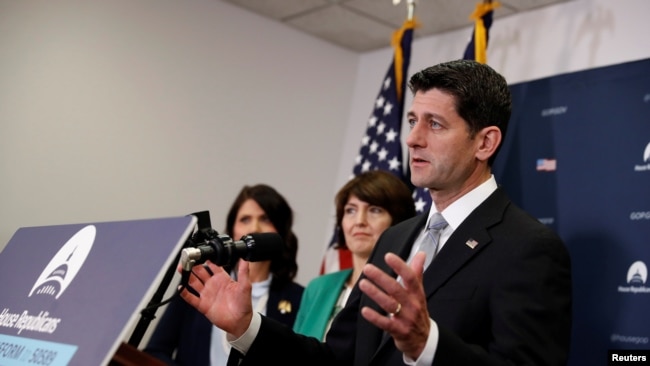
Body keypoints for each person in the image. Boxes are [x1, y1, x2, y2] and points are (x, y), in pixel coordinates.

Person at [178, 60, 573, 366]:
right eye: (413, 121)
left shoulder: (528, 248)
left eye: (435, 124)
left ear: (485, 142)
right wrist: (247, 327)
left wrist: (427, 343)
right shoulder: (396, 238)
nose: (413, 139)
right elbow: (336, 360)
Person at [144, 184, 304, 365]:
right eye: (245, 219)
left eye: (265, 219)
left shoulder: (300, 298)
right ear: (232, 231)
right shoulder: (201, 281)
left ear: (281, 232)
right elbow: (155, 351)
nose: (255, 228)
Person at [293, 170, 415, 340]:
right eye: (350, 210)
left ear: (398, 222)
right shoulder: (318, 288)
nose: (359, 221)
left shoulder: (406, 293)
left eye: (375, 210)